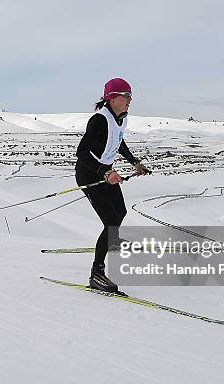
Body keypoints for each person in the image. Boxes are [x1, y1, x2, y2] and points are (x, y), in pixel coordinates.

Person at [75, 78, 150, 292]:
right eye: (125, 96)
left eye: (130, 96)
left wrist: (135, 162)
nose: (130, 100)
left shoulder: (121, 119)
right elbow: (81, 152)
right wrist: (104, 171)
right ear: (112, 98)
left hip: (107, 173)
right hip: (90, 175)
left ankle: (108, 243)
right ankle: (96, 274)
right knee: (110, 221)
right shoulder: (99, 120)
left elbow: (119, 141)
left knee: (120, 213)